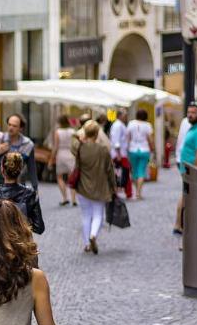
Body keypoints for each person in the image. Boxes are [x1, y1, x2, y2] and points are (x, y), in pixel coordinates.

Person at [72, 121, 116, 255]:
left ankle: (86, 244)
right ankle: (93, 235)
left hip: (83, 186)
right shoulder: (103, 150)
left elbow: (76, 164)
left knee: (86, 216)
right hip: (100, 186)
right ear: (97, 134)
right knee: (98, 215)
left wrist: (79, 137)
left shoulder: (80, 148)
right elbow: (110, 170)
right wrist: (113, 185)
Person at [0, 153, 45, 236]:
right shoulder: (30, 194)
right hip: (22, 244)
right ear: (20, 170)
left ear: (2, 169)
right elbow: (39, 228)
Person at [0, 114, 38, 191]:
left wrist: (35, 188)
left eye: (14, 126)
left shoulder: (28, 144)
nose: (11, 128)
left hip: (18, 186)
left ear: (21, 128)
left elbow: (32, 168)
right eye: (9, 124)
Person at [173, 102, 197, 235]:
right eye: (189, 112)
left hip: (181, 160)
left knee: (185, 192)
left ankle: (179, 223)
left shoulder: (186, 122)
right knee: (186, 192)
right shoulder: (191, 124)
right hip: (185, 163)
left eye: (194, 112)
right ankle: (179, 223)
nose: (191, 114)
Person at [48, 114, 78, 206]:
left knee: (60, 177)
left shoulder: (58, 132)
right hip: (71, 154)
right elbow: (75, 144)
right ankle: (73, 199)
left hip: (61, 154)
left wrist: (51, 159)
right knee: (72, 177)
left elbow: (55, 147)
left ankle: (65, 198)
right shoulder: (73, 131)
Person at [126, 108, 154, 200]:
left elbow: (128, 137)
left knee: (134, 171)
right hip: (144, 149)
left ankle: (136, 190)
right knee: (142, 171)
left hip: (133, 150)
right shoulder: (147, 125)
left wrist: (127, 148)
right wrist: (152, 148)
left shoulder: (131, 123)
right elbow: (150, 139)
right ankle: (138, 192)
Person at [109, 108, 133, 199]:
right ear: (120, 115)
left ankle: (128, 192)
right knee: (124, 172)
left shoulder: (120, 125)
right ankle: (127, 192)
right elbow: (116, 140)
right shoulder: (117, 126)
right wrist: (118, 153)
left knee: (124, 173)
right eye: (125, 115)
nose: (126, 116)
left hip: (121, 153)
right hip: (119, 153)